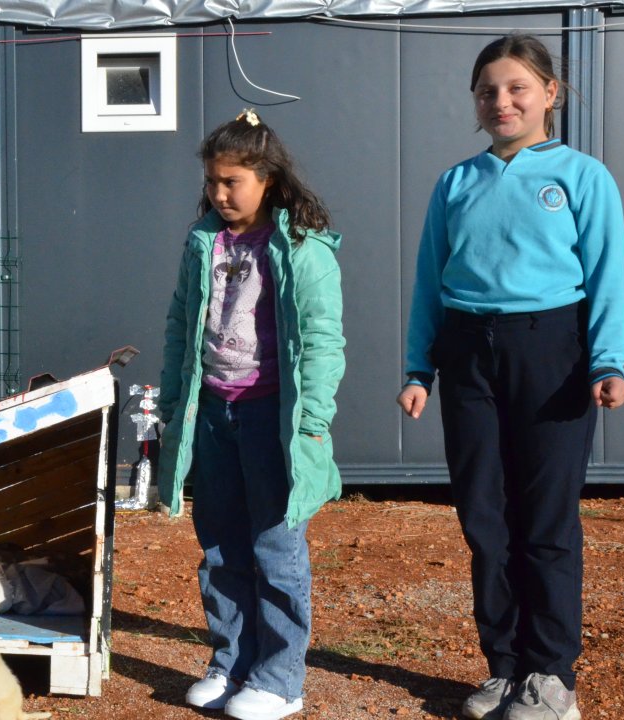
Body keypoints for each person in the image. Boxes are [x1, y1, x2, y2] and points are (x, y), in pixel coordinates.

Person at [397, 34, 624, 720]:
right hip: (469, 354)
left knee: (546, 517)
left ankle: (551, 676)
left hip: (553, 351)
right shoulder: (456, 183)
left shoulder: (583, 178)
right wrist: (420, 367)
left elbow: (610, 275)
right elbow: (428, 284)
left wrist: (609, 359)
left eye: (517, 87)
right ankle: (502, 668)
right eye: (488, 90)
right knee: (484, 516)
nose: (501, 100)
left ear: (549, 94)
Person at [157, 110, 345, 720]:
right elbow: (180, 326)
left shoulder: (301, 248)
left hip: (273, 420)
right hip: (212, 413)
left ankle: (280, 677)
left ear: (268, 178)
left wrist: (312, 419)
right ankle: (231, 662)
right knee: (219, 546)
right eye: (213, 180)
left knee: (275, 547)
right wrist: (171, 406)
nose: (219, 193)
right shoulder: (202, 241)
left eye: (232, 181)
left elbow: (322, 339)